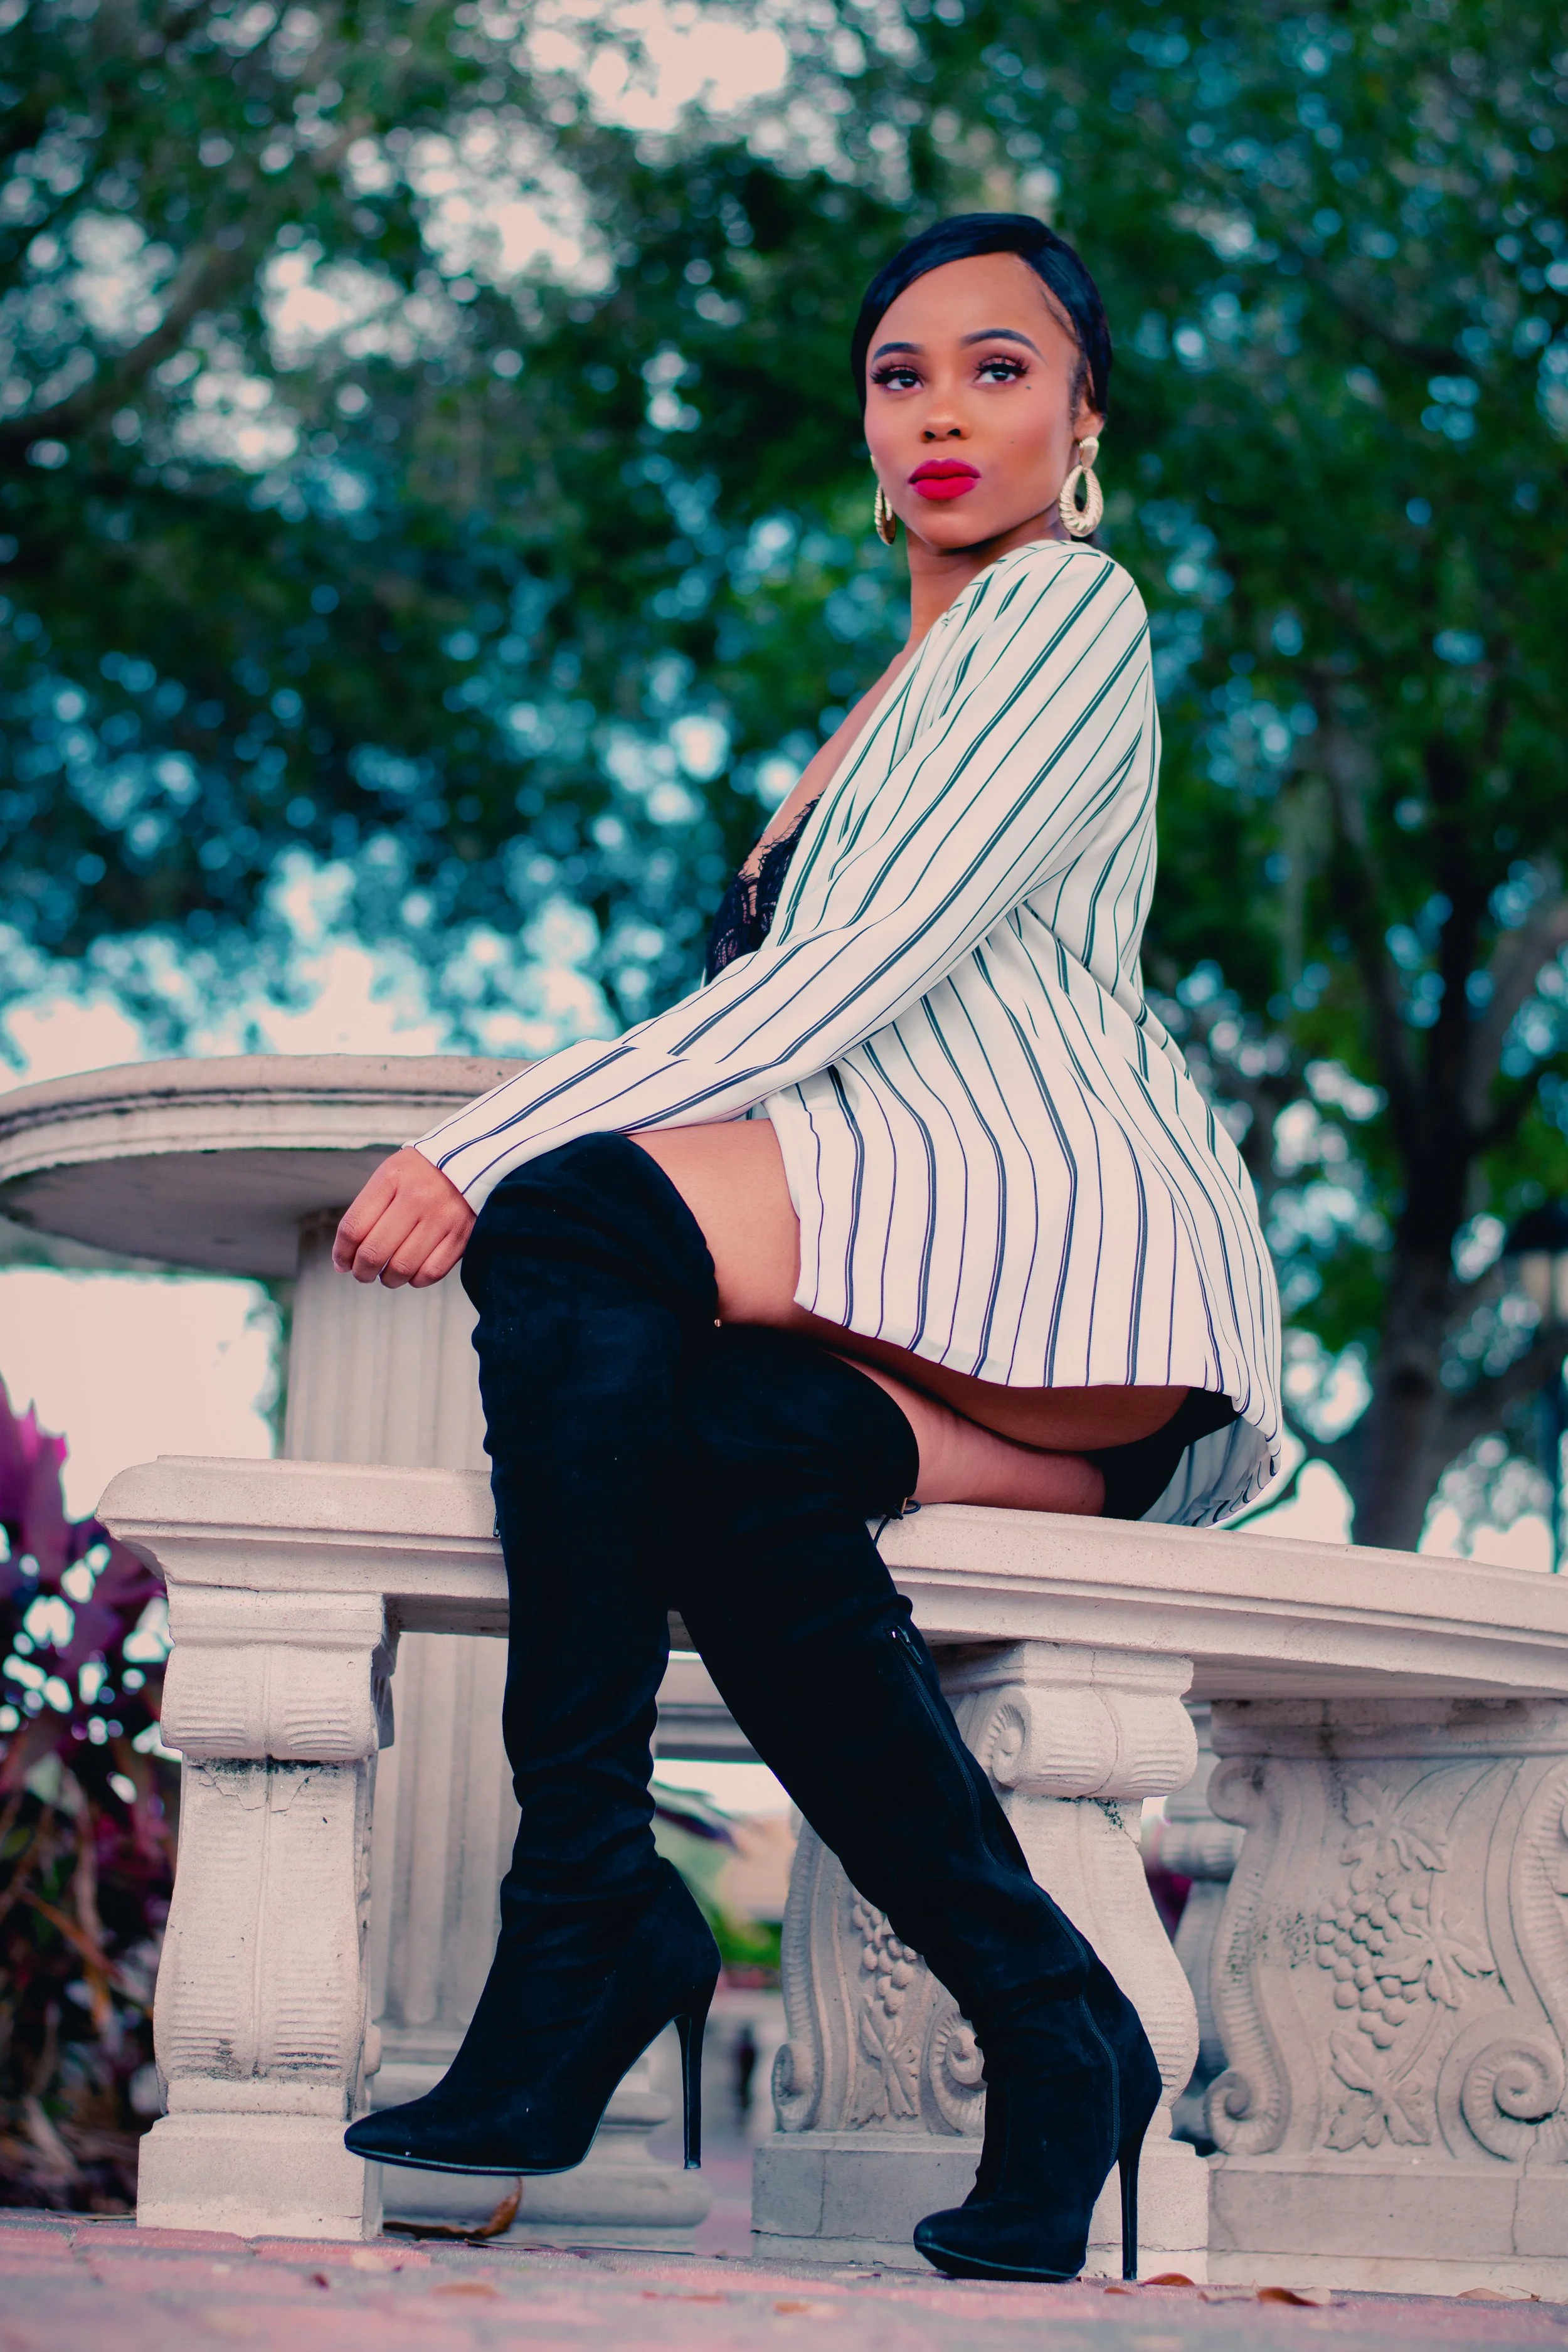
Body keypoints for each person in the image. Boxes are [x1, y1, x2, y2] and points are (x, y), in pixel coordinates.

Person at [336, 212, 1282, 2284]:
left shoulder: (1065, 610)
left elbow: (862, 969)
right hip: (919, 1283)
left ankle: (580, 1909)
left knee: (583, 1217)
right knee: (725, 1466)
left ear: (1082, 417)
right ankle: (1055, 2029)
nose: (942, 408)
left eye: (998, 365)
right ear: (865, 431)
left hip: (1059, 1231)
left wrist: (488, 1141)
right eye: (898, 375)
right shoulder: (883, 698)